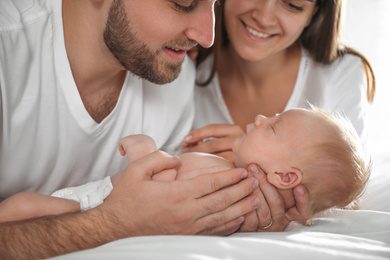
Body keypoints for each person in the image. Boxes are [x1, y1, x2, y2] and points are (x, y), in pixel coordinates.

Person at [0, 0, 305, 259]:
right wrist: (111, 224)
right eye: (183, 3)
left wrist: (246, 206)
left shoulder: (175, 81)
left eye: (216, 3)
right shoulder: (8, 51)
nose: (207, 36)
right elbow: (133, 220)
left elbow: (169, 217)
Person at [0, 107, 370, 234]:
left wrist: (145, 150)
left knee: (19, 208)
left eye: (272, 126)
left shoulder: (228, 181)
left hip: (91, 207)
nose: (260, 117)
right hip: (100, 204)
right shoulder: (241, 188)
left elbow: (158, 193)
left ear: (286, 178)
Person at [182, 0, 375, 230]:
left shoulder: (339, 75)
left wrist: (302, 214)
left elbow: (347, 196)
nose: (264, 18)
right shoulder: (183, 67)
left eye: (292, 4)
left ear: (314, 11)